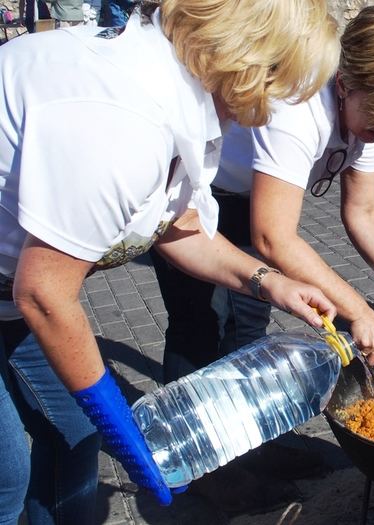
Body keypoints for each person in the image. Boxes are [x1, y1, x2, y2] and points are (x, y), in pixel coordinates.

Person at [0, 1, 339, 523]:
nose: (273, 110)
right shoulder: (122, 119)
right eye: (281, 84)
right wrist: (121, 426)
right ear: (249, 60)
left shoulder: (179, 97)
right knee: (7, 474)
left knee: (71, 437)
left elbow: (177, 229)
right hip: (25, 293)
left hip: (12, 295)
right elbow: (45, 294)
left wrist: (269, 282)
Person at [154, 5, 374, 388]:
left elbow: (363, 212)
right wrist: (359, 312)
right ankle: (181, 434)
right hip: (198, 197)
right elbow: (274, 239)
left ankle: (247, 439)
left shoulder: (372, 120)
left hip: (254, 202)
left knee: (248, 328)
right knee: (198, 325)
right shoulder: (298, 107)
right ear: (345, 85)